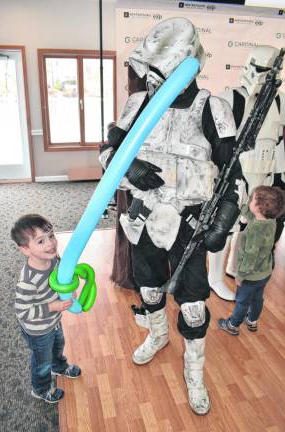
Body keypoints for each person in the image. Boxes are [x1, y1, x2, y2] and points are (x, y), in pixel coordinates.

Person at [100, 17, 242, 415]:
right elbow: (106, 150)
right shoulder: (139, 104)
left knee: (193, 303)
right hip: (145, 215)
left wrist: (224, 220)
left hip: (191, 222)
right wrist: (128, 168)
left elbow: (233, 174)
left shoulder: (212, 108)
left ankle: (194, 372)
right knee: (148, 285)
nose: (154, 80)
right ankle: (158, 335)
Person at [208, 45, 285, 301]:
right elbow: (213, 141)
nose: (266, 77)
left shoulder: (279, 100)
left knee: (247, 226)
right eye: (262, 69)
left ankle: (234, 266)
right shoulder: (230, 98)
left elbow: (280, 140)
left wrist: (278, 175)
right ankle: (215, 277)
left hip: (264, 176)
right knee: (225, 226)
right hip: (235, 175)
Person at [11, 214, 81, 403]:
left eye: (51, 236)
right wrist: (52, 306)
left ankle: (58, 366)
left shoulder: (53, 260)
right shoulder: (27, 281)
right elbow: (23, 311)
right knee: (42, 361)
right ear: (25, 249)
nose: (50, 243)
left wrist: (69, 292)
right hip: (38, 329)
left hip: (53, 321)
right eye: (41, 241)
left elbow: (61, 280)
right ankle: (40, 388)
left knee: (58, 346)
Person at [218, 186, 285, 335]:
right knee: (257, 298)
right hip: (265, 272)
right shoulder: (271, 220)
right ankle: (252, 320)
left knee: (242, 301)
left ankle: (233, 325)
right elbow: (252, 215)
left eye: (252, 199)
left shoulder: (255, 230)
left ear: (259, 207)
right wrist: (243, 206)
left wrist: (241, 276)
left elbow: (250, 258)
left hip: (250, 276)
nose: (250, 200)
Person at [101, 121, 117, 219]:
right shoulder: (106, 145)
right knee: (106, 191)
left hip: (116, 172)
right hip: (107, 172)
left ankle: (116, 204)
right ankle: (104, 209)